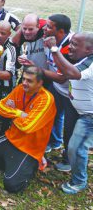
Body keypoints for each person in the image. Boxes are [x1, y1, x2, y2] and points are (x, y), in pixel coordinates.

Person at [0, 66, 56, 193]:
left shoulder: (46, 99)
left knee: (12, 185)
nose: (24, 83)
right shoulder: (20, 89)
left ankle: (33, 164)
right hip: (12, 137)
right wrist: (19, 114)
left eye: (29, 81)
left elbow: (27, 127)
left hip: (30, 147)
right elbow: (0, 107)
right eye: (24, 79)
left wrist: (11, 114)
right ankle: (14, 165)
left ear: (40, 83)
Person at [44, 32, 93, 194]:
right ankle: (71, 162)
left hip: (89, 115)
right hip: (77, 109)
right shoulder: (82, 59)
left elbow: (72, 74)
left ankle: (79, 181)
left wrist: (53, 48)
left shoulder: (90, 63)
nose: (70, 47)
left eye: (75, 44)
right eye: (70, 43)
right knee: (71, 141)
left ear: (89, 49)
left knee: (76, 147)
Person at [41, 15, 77, 174]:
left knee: (70, 127)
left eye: (49, 27)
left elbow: (62, 77)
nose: (45, 29)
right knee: (51, 115)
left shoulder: (71, 47)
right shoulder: (50, 37)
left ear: (60, 31)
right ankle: (54, 141)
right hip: (57, 88)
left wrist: (38, 70)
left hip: (71, 94)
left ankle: (69, 161)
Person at [12, 14, 49, 84]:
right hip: (28, 76)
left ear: (38, 27)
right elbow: (17, 65)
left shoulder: (46, 33)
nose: (27, 32)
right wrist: (19, 60)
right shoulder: (20, 37)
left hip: (45, 77)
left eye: (31, 29)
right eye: (24, 28)